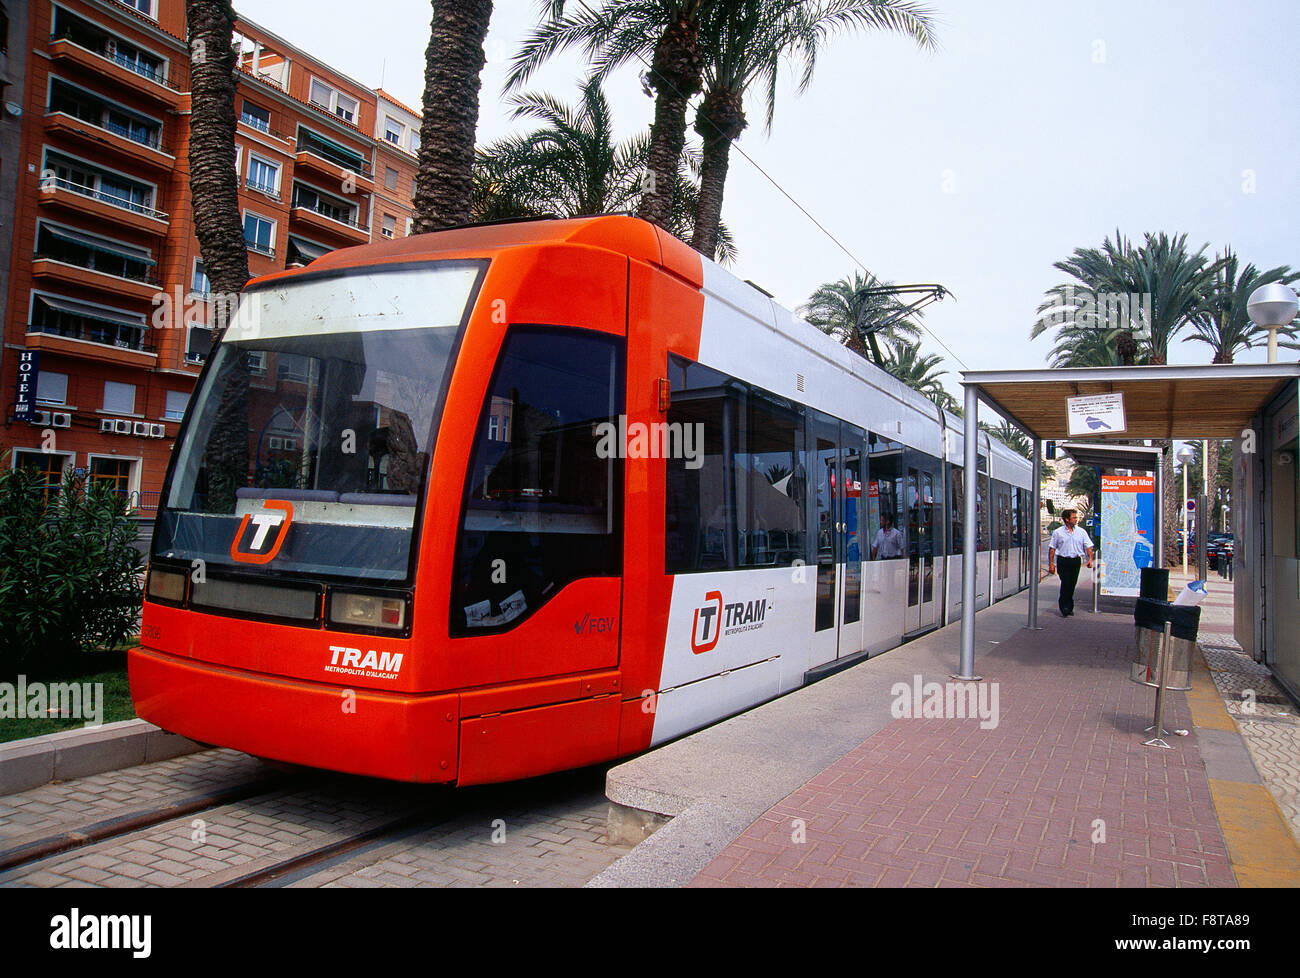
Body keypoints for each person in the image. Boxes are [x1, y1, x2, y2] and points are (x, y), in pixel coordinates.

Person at [1048, 508, 1094, 617]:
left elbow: (1088, 546)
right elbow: (1052, 548)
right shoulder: (1058, 532)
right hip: (1063, 561)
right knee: (1065, 583)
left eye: (1076, 517)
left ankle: (1069, 605)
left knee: (1072, 584)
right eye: (1074, 518)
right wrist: (1051, 563)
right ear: (1067, 519)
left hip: (1075, 561)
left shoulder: (1081, 532)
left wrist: (1090, 559)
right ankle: (1064, 607)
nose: (1076, 520)